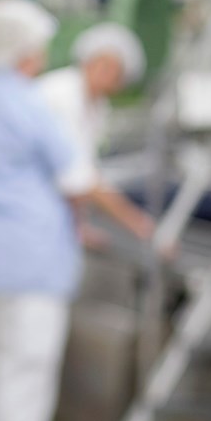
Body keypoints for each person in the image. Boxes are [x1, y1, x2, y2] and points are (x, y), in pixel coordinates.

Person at [0, 0, 154, 421]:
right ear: (26, 51)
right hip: (27, 264)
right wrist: (134, 223)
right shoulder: (30, 104)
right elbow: (77, 180)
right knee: (22, 378)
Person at [37, 22, 152, 250]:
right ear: (87, 60)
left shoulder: (98, 106)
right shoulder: (61, 93)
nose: (106, 75)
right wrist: (138, 223)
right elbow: (78, 175)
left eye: (115, 71)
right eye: (103, 64)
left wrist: (77, 226)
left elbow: (80, 173)